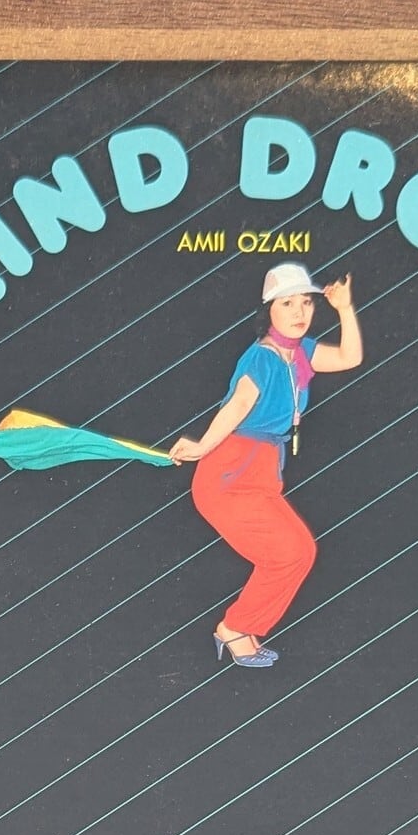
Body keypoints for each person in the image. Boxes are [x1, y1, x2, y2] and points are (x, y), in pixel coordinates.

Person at [170, 263, 362, 667]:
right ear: (269, 311)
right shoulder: (260, 358)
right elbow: (239, 404)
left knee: (301, 551)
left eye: (306, 302)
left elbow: (350, 357)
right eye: (287, 303)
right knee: (286, 554)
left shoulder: (301, 352)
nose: (299, 311)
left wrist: (344, 309)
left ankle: (243, 628)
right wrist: (203, 446)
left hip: (261, 472)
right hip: (229, 473)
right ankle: (234, 628)